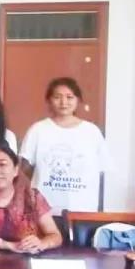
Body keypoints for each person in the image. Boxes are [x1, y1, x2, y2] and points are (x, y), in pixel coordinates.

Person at [20, 77, 109, 215]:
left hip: (82, 210)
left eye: (69, 97)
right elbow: (25, 167)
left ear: (78, 100)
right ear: (49, 100)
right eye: (57, 97)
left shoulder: (91, 131)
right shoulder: (38, 129)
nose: (63, 102)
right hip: (44, 211)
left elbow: (101, 169)